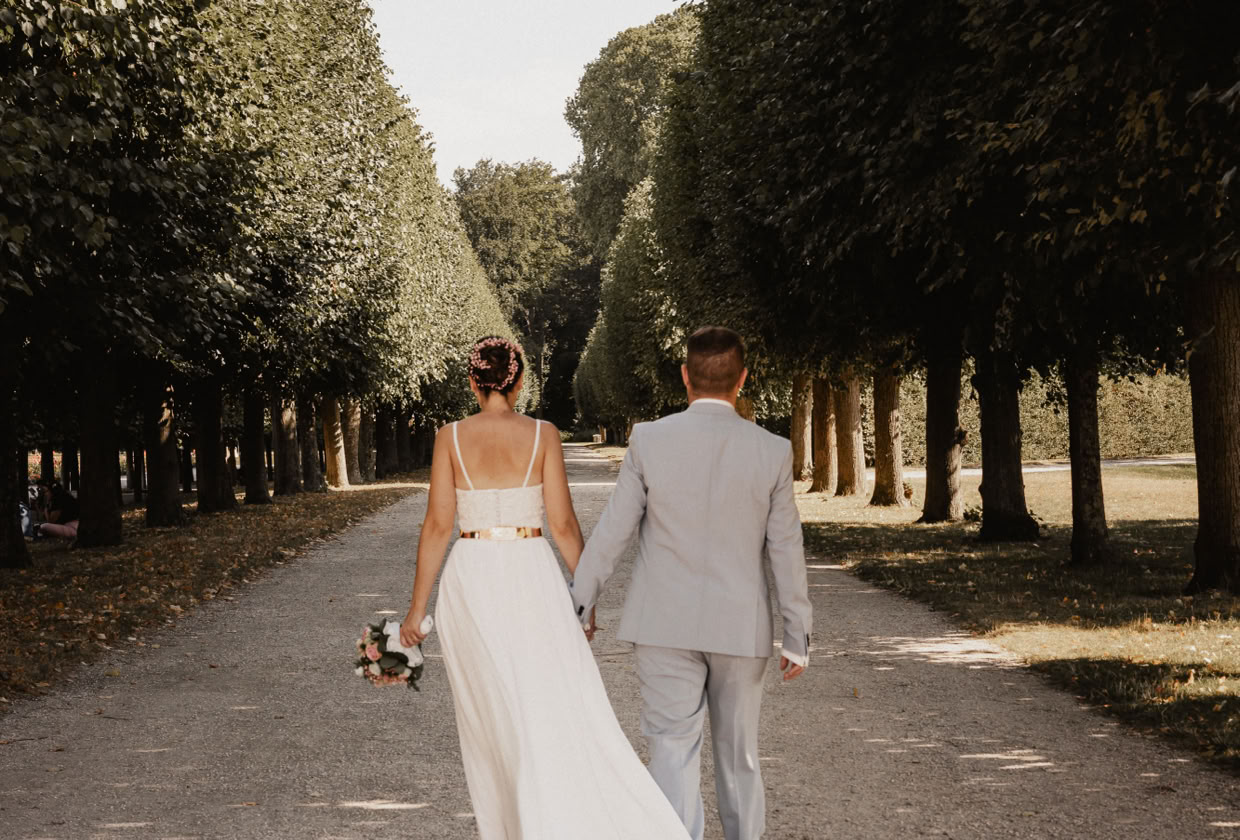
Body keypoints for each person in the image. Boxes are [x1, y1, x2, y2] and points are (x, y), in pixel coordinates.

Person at [400, 336, 691, 840]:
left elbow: (438, 526)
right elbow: (562, 525)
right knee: (544, 701)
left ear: (472, 382)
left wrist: (415, 610)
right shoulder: (544, 434)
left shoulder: (449, 437)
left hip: (471, 580)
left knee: (492, 716)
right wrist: (586, 593)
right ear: (519, 383)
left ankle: (515, 826)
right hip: (530, 571)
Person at [571, 326, 813, 840]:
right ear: (742, 379)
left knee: (670, 753)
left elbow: (614, 530)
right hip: (740, 627)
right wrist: (797, 633)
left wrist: (580, 602)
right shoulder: (772, 451)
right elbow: (785, 548)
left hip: (663, 624)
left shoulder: (648, 440)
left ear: (685, 376)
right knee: (739, 756)